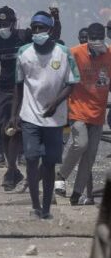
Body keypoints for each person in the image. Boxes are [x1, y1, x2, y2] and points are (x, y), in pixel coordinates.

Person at [10, 12, 79, 220]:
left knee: (49, 164)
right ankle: (35, 205)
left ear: (50, 30)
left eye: (41, 28)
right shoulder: (24, 52)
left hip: (55, 118)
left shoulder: (63, 52)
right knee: (31, 159)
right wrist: (14, 114)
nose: (37, 32)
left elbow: (72, 83)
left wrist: (56, 103)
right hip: (30, 115)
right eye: (34, 28)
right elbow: (19, 86)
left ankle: (47, 207)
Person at [55, 23, 111, 205]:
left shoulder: (109, 55)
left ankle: (77, 193)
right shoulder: (75, 53)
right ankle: (61, 174)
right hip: (78, 108)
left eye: (99, 40)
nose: (96, 44)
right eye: (93, 40)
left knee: (91, 155)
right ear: (87, 40)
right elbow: (61, 76)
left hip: (98, 112)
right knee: (80, 144)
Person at [0, 6, 27, 190]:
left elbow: (52, 37)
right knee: (5, 130)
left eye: (5, 24)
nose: (2, 27)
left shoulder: (24, 37)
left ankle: (13, 170)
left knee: (17, 128)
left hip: (23, 90)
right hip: (4, 90)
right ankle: (12, 169)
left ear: (13, 23)